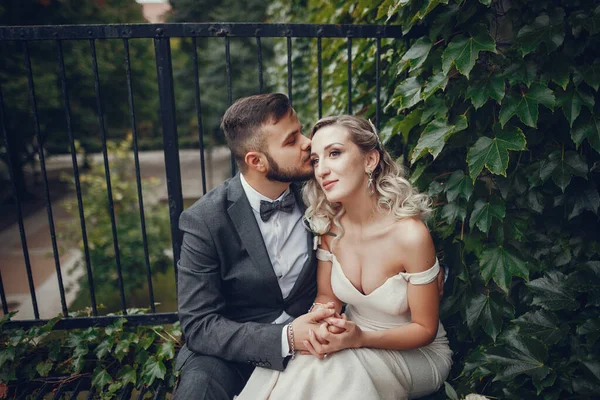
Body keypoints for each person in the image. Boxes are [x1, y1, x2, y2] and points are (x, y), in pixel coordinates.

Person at [237, 115, 452, 400]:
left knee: (336, 366)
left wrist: (360, 338)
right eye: (315, 160)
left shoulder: (410, 236)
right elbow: (328, 297)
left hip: (415, 353)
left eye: (334, 154)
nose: (322, 169)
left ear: (370, 160)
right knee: (304, 357)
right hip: (351, 339)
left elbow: (425, 329)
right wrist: (319, 324)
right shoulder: (331, 227)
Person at [174, 93, 338, 399]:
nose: (307, 143)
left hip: (317, 343)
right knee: (199, 390)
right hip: (231, 356)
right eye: (291, 140)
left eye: (301, 131)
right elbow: (199, 325)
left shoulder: (323, 189)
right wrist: (286, 337)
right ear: (256, 161)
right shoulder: (204, 220)